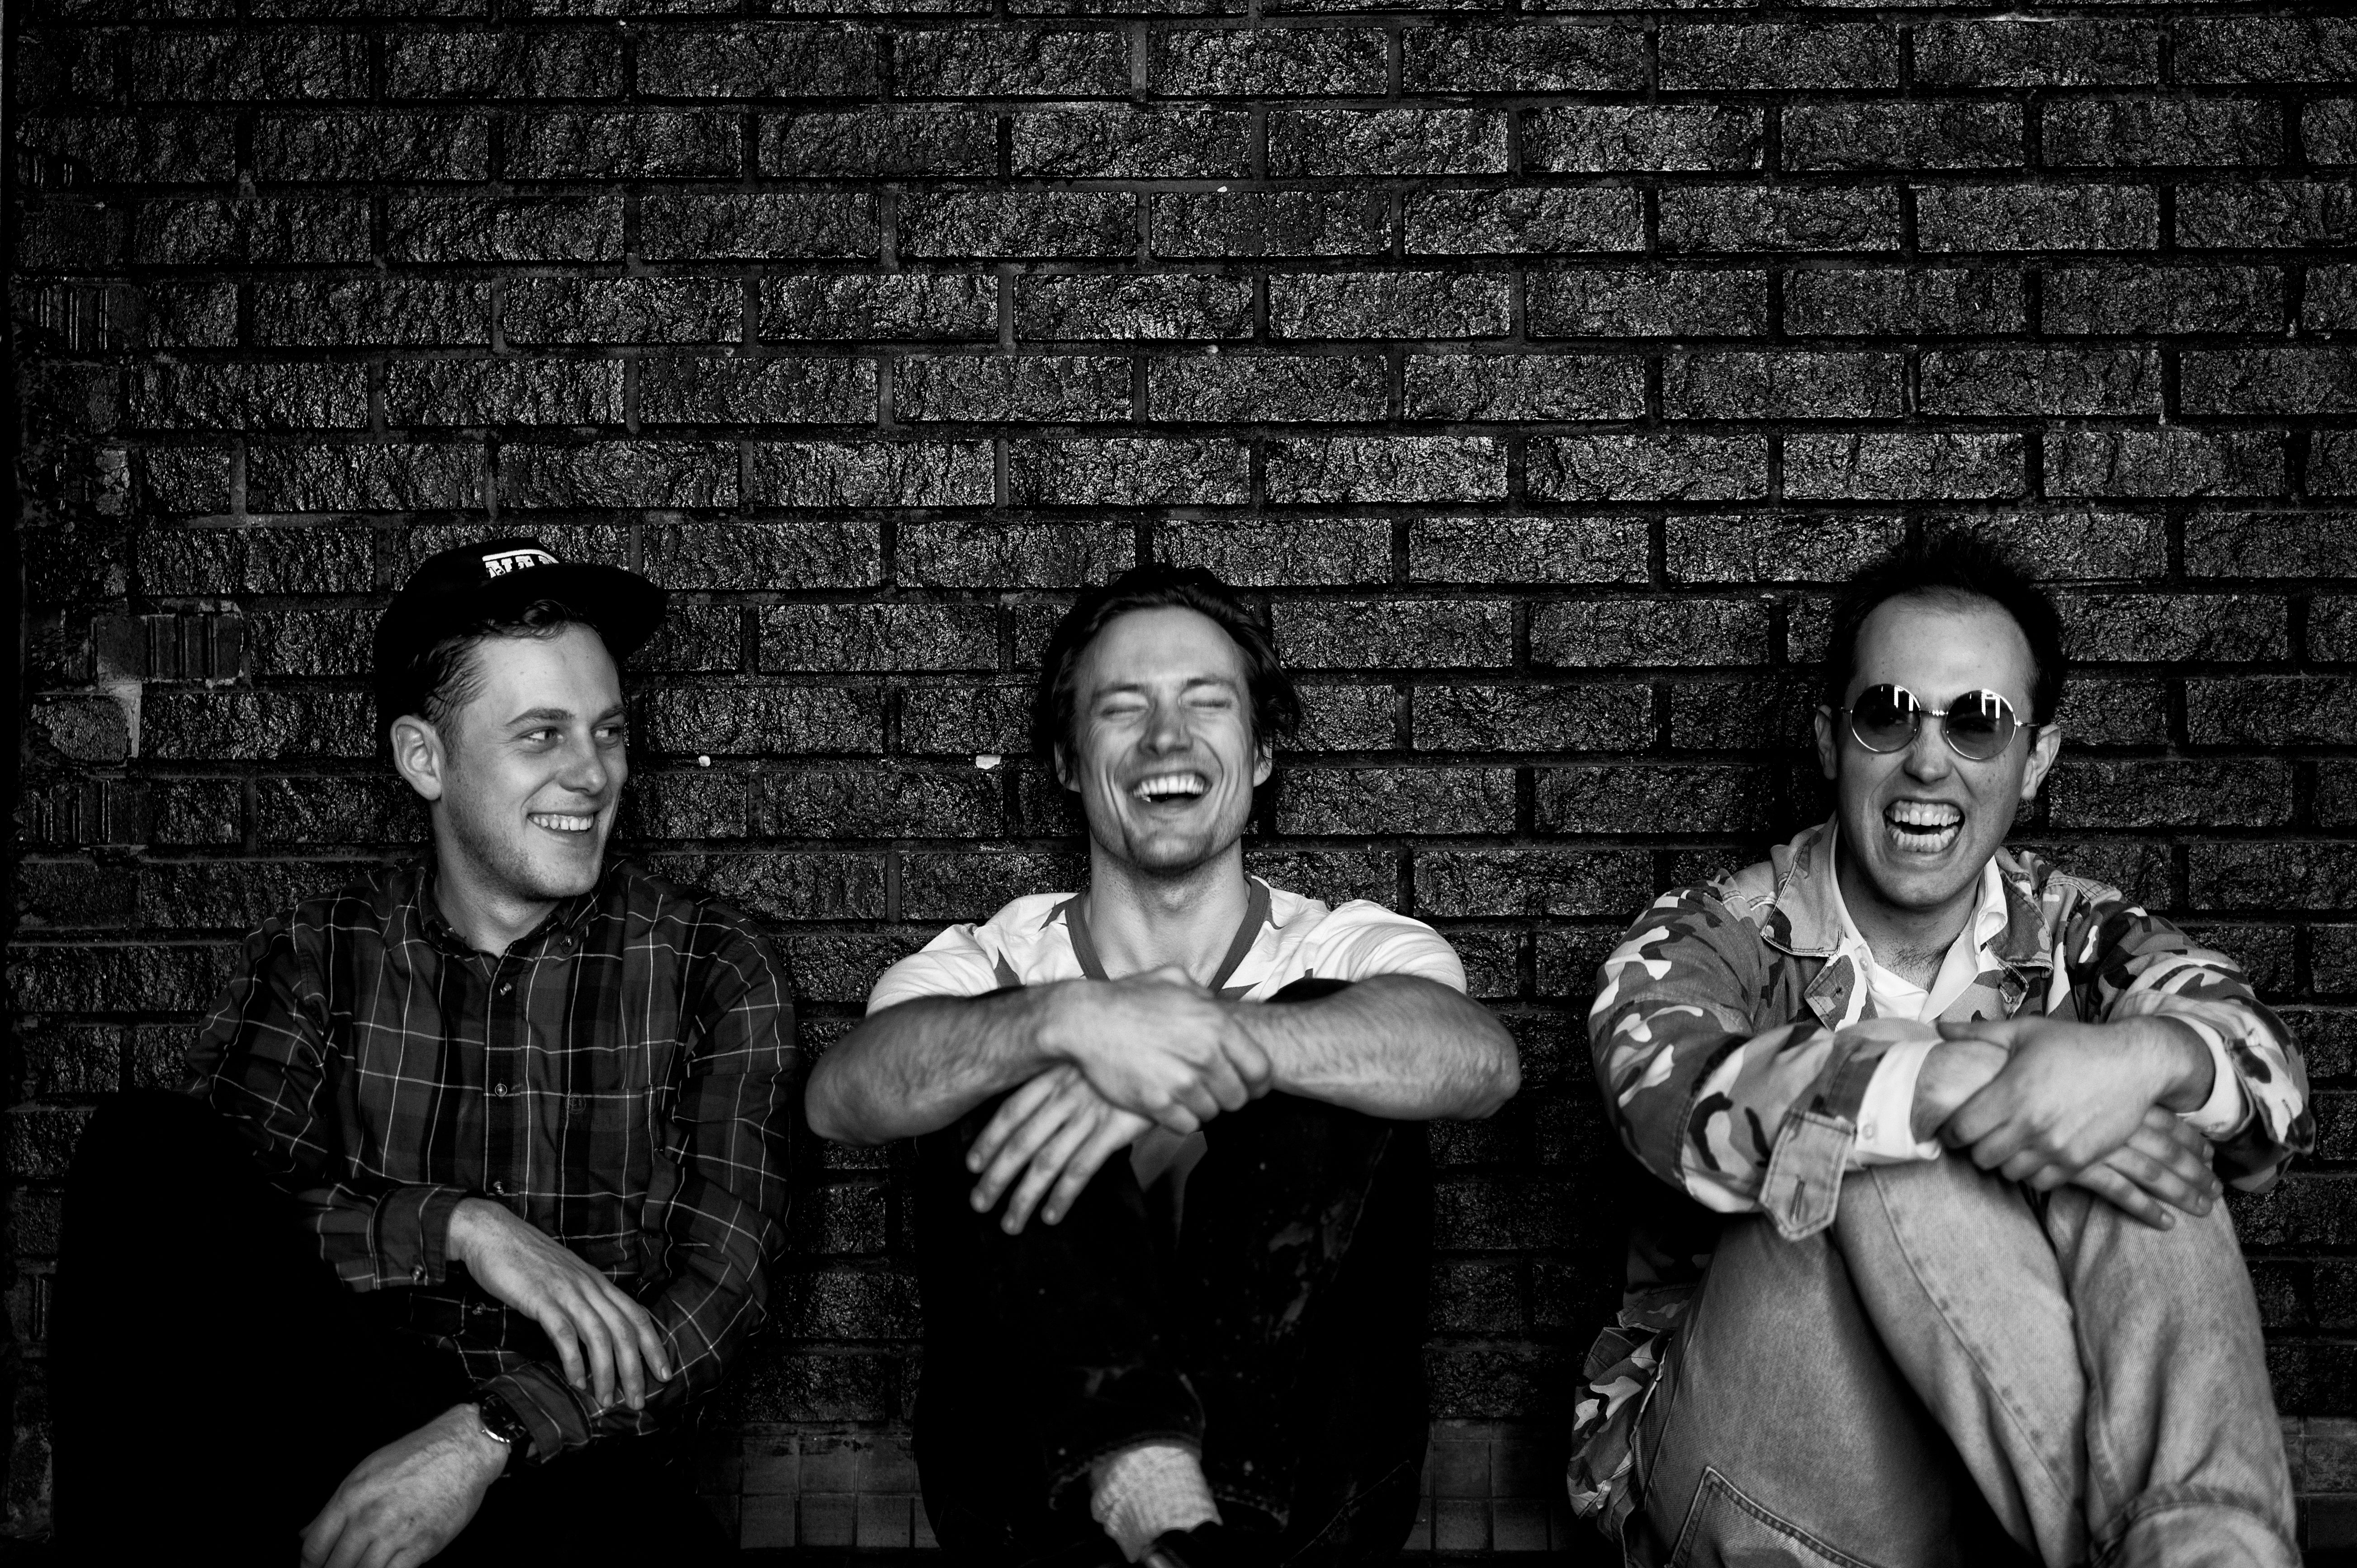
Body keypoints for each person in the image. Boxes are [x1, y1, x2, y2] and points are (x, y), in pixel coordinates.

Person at [1569, 529, 2312, 1567]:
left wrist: (2142, 1065)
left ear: (2034, 759)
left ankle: (2201, 1550)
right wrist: (1946, 1081)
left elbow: (2267, 1082)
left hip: (1989, 1488)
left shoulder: (2079, 932)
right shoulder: (1717, 931)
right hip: (1753, 1470)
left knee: (2143, 1095)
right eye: (1887, 714)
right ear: (1830, 741)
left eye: (1977, 721)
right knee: (1873, 1114)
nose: (1927, 760)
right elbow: (1658, 1094)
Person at [51, 538, 797, 1566]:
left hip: (571, 1467)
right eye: (542, 735)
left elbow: (716, 1297)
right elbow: (226, 1243)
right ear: (424, 760)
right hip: (334, 1432)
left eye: (609, 732)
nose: (594, 774)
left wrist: (487, 1436)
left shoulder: (714, 964)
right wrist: (458, 1226)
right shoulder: (320, 959)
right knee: (145, 1152)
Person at [805, 564, 1520, 1568]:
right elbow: (841, 1097)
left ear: (1261, 751)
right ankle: (1154, 1493)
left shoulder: (1350, 948)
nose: (1166, 740)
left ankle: (1199, 1527)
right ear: (1068, 760)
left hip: (1305, 1508)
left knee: (1325, 1036)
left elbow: (1481, 1063)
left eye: (1206, 703)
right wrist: (1068, 1020)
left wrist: (1224, 1039)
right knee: (985, 1042)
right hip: (1044, 1516)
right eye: (1123, 708)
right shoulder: (993, 962)